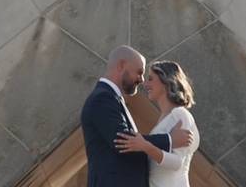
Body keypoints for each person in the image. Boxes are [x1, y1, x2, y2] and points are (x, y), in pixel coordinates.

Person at [80, 46, 195, 187]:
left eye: (148, 78)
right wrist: (169, 139)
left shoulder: (112, 98)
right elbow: (122, 140)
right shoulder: (103, 98)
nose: (142, 80)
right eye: (139, 72)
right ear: (122, 65)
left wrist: (149, 145)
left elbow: (134, 143)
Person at [114, 60, 200, 186]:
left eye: (150, 79)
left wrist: (145, 146)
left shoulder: (180, 115)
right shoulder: (164, 119)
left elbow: (177, 162)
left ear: (166, 81)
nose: (145, 84)